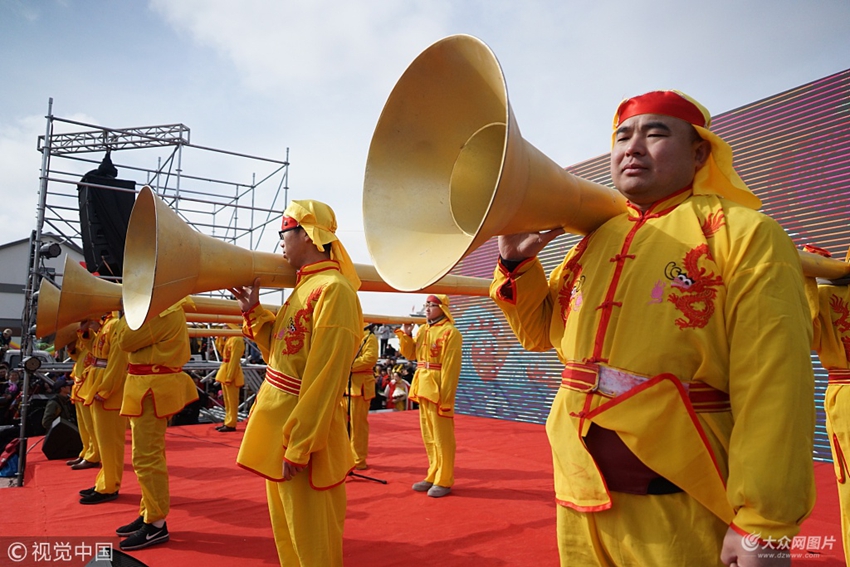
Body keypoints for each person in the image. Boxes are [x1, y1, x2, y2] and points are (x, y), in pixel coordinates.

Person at [491, 90, 815, 566]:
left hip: (682, 499)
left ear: (700, 152)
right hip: (577, 490)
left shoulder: (747, 235)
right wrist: (515, 262)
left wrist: (765, 527)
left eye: (655, 133)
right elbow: (541, 334)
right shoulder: (595, 238)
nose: (632, 147)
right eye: (622, 137)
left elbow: (776, 385)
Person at [231, 200, 362, 567]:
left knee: (312, 545)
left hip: (299, 436)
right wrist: (253, 311)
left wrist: (301, 444)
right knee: (289, 537)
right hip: (282, 428)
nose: (281, 243)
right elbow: (284, 352)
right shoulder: (306, 287)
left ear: (305, 234)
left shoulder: (333, 290)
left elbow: (326, 377)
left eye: (283, 234)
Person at [113, 300, 197, 551]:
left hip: (150, 389)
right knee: (146, 455)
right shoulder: (164, 308)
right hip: (147, 387)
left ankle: (156, 524)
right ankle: (149, 512)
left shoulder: (165, 309)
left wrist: (125, 312)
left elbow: (125, 341)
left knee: (146, 457)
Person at [395, 294, 462, 499]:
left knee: (442, 437)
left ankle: (444, 478)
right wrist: (406, 335)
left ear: (443, 308)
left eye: (432, 305)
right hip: (422, 385)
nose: (427, 309)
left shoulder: (451, 332)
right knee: (429, 436)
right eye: (426, 305)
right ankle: (433, 473)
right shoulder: (423, 329)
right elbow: (411, 355)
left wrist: (447, 399)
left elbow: (451, 369)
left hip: (437, 387)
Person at [79, 311, 130, 505]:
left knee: (110, 442)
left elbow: (118, 361)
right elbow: (95, 352)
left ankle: (109, 486)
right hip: (98, 381)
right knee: (103, 440)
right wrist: (86, 333)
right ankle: (104, 482)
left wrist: (107, 389)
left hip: (107, 386)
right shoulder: (108, 324)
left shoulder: (116, 323)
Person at [67, 321, 101, 470]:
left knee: (91, 425)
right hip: (80, 386)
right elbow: (79, 358)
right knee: (83, 425)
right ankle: (86, 451)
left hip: (88, 386)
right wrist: (72, 349)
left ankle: (94, 455)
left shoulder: (98, 340)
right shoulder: (89, 343)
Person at [347, 324, 379, 469]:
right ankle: (344, 457)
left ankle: (358, 460)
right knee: (341, 426)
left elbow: (370, 359)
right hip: (344, 386)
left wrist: (346, 365)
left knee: (357, 426)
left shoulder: (369, 338)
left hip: (359, 387)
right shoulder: (348, 334)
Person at [214, 327, 245, 432]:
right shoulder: (229, 338)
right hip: (225, 368)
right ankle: (227, 422)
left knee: (232, 400)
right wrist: (219, 339)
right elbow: (221, 352)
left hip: (231, 371)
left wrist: (230, 376)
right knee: (227, 400)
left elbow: (235, 360)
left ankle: (231, 423)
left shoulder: (237, 339)